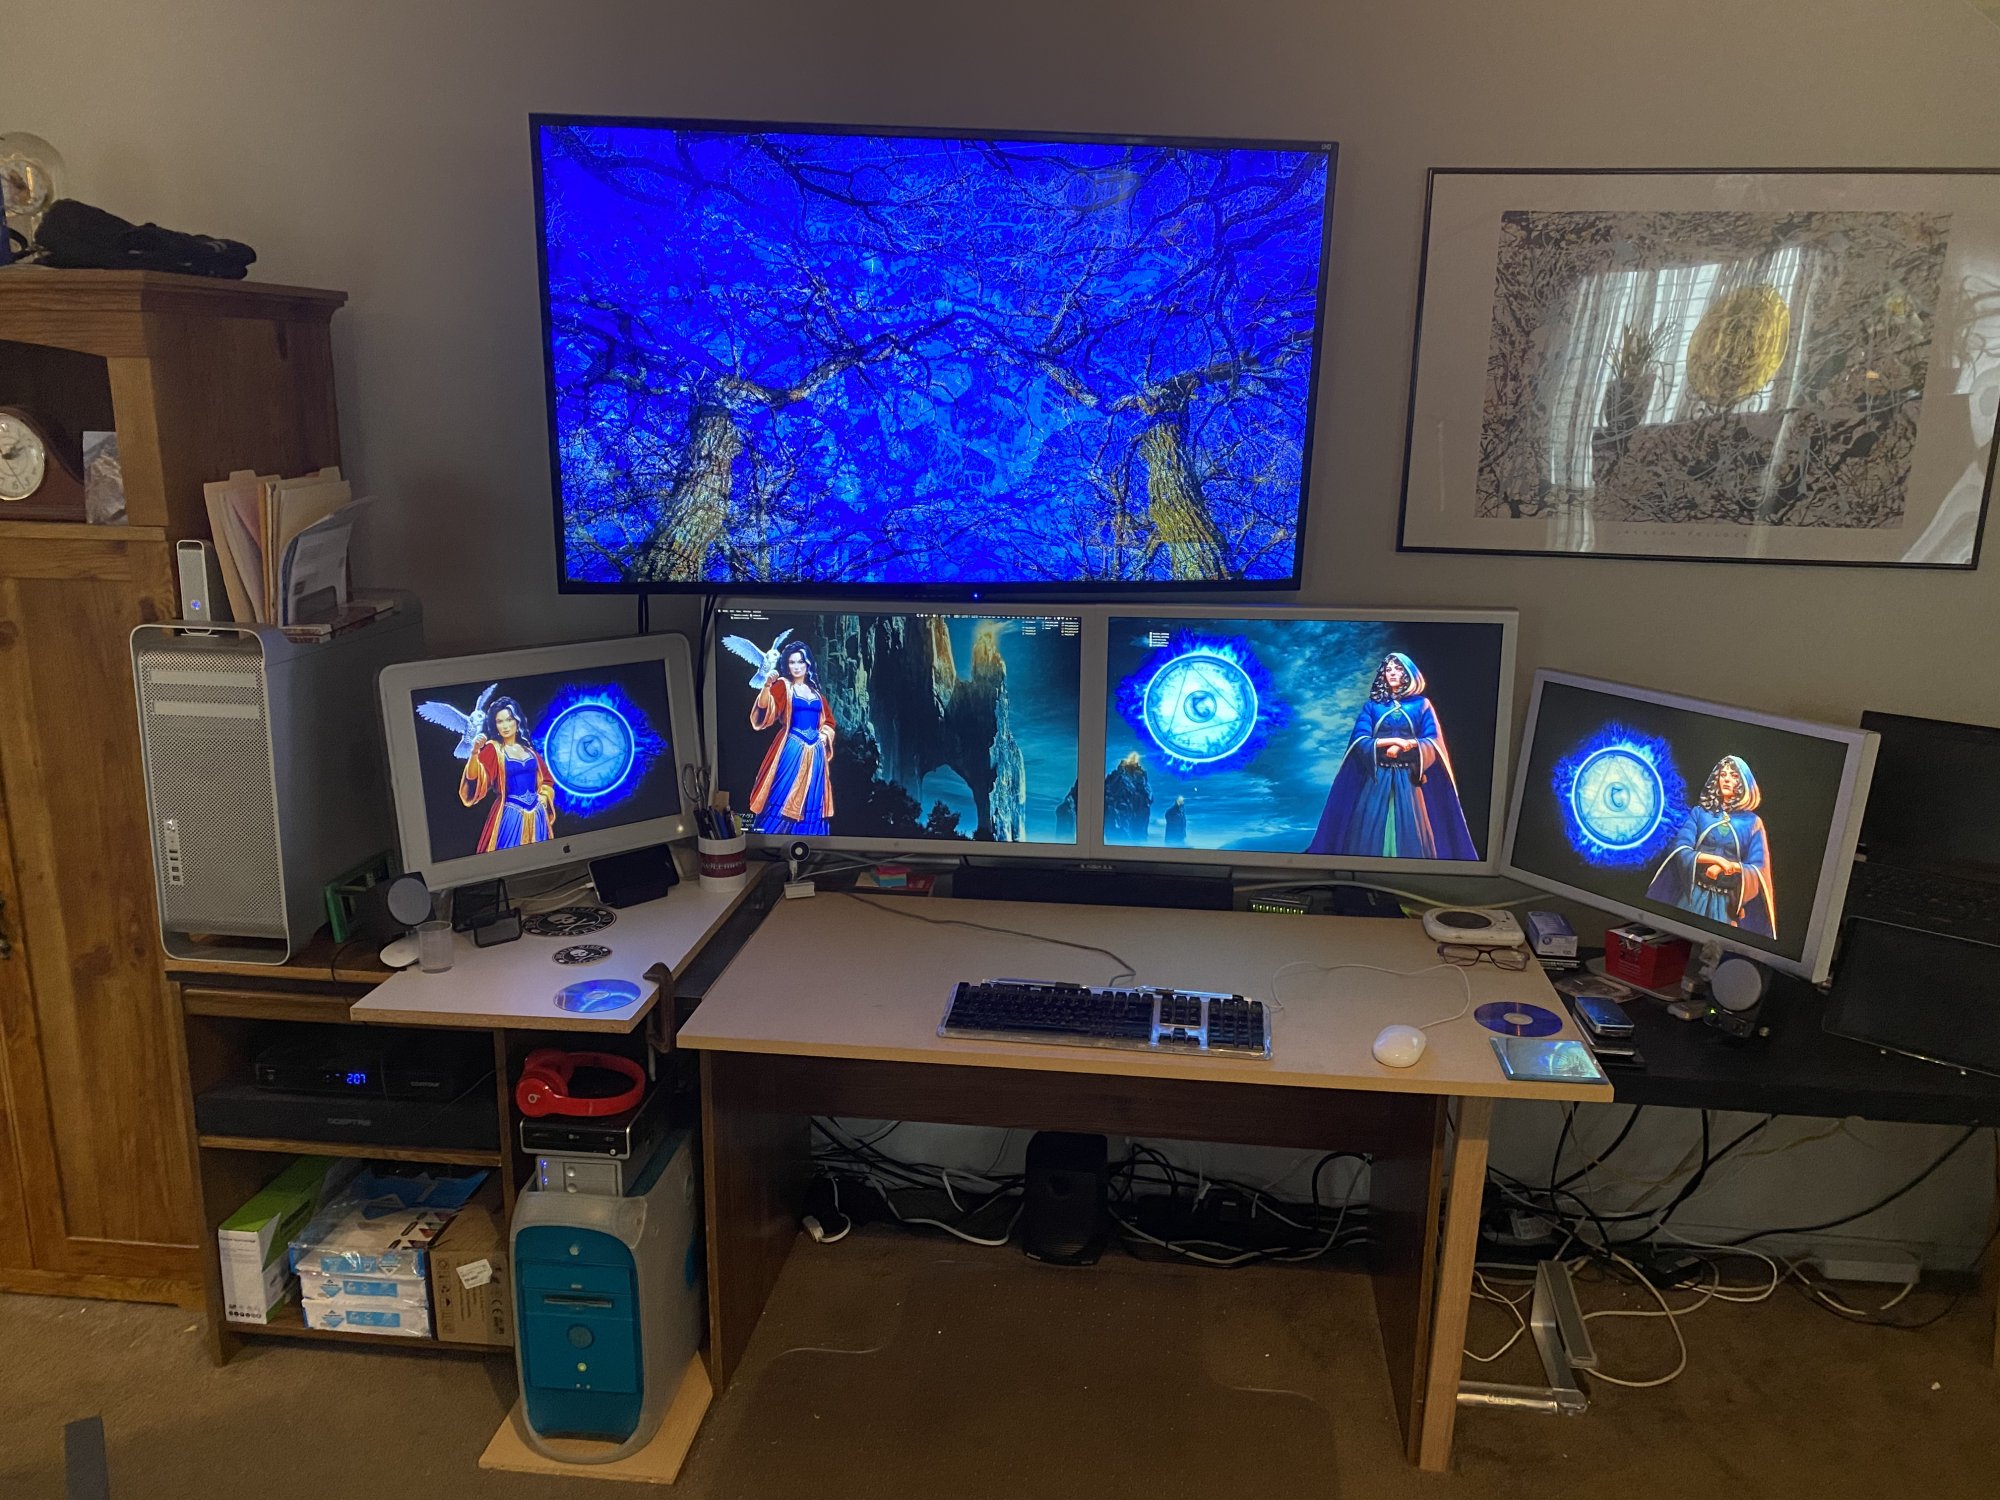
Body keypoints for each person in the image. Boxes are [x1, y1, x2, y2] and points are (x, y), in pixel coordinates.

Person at [1308, 652, 1477, 860]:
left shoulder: (1422, 705)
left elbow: (1433, 741)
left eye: (1398, 669)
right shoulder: (1373, 706)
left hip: (1409, 783)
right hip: (1377, 781)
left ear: (1408, 673)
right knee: (1367, 832)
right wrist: (1393, 741)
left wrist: (1408, 745)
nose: (1393, 673)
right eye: (1388, 670)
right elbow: (1360, 740)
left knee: (1412, 832)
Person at [1645, 755, 1775, 937]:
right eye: (1723, 774)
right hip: (1693, 897)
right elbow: (1681, 849)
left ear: (1743, 783)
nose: (1727, 779)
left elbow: (1759, 868)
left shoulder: (1753, 823)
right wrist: (1717, 860)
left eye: (1734, 776)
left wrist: (1731, 867)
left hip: (1726, 906)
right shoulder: (1700, 813)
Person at [749, 640, 836, 835]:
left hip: (816, 755)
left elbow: (829, 722)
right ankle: (769, 841)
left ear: (808, 664)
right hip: (792, 749)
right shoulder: (783, 686)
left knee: (813, 798)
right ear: (787, 665)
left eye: (800, 662)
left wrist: (824, 735)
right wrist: (767, 686)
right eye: (792, 662)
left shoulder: (817, 695)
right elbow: (766, 708)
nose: (796, 666)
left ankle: (812, 843)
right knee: (781, 791)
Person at [459, 695, 555, 852]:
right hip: (510, 815)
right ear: (495, 725)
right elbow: (474, 778)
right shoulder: (493, 749)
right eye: (500, 721)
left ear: (517, 721)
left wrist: (544, 796)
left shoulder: (529, 751)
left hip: (538, 816)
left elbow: (547, 780)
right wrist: (475, 752)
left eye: (509, 719)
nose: (505, 726)